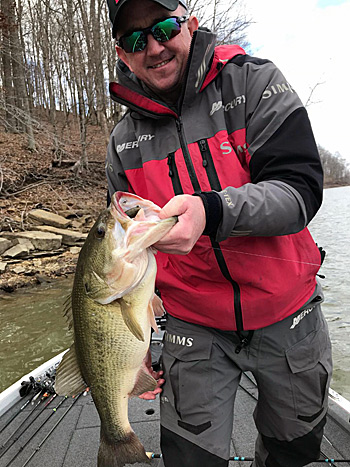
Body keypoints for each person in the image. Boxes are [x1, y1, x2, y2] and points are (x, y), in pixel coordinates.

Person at [105, 0, 332, 466]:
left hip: (288, 311)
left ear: (189, 23)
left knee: (295, 450)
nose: (154, 46)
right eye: (135, 40)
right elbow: (124, 255)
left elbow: (300, 191)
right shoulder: (121, 143)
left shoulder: (255, 81)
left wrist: (211, 211)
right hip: (194, 325)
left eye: (164, 28)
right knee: (190, 459)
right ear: (122, 54)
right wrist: (136, 344)